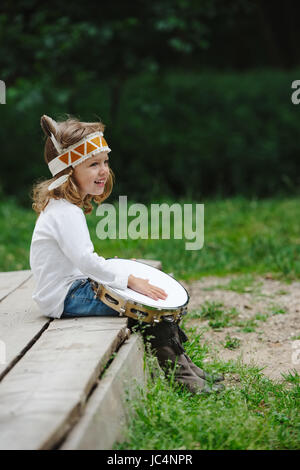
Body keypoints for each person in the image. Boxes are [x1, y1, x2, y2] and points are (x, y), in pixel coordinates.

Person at [30, 114, 224, 395]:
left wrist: (119, 271)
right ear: (67, 171)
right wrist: (127, 278)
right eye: (93, 164)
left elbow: (79, 260)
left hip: (72, 287)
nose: (103, 171)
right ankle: (183, 378)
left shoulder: (64, 206)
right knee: (146, 310)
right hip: (65, 297)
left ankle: (188, 370)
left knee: (147, 299)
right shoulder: (64, 212)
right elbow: (85, 261)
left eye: (105, 162)